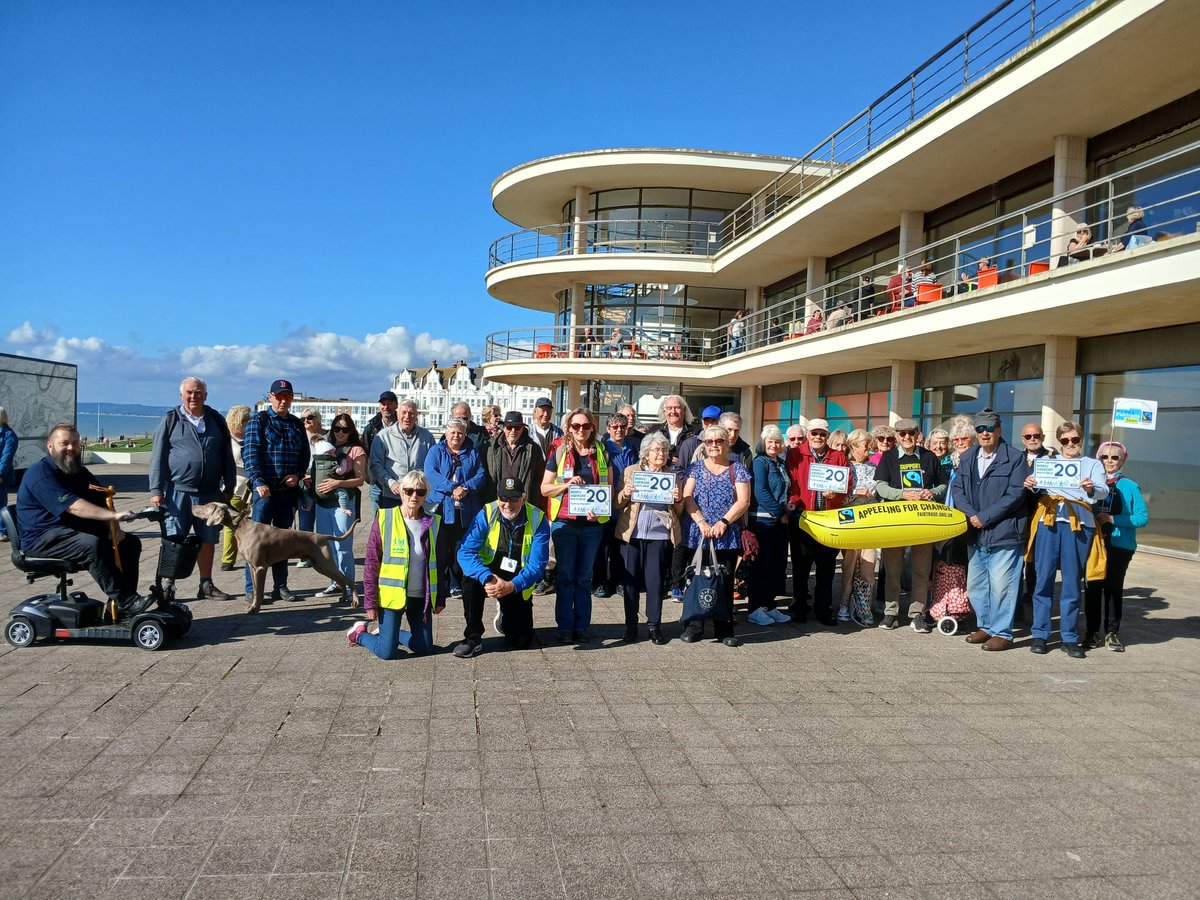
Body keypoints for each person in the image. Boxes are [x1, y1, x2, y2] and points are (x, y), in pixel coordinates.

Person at [16, 423, 151, 615]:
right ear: (50, 446)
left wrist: (114, 526)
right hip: (41, 538)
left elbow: (101, 497)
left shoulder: (76, 470)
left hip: (68, 532)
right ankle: (127, 601)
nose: (71, 448)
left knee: (129, 543)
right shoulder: (40, 474)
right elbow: (74, 506)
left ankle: (119, 607)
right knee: (90, 544)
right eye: (64, 443)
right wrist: (112, 516)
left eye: (75, 443)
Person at [1023, 421, 1108, 659]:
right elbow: (1036, 486)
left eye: (1075, 439)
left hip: (1079, 525)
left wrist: (1091, 489)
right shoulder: (1047, 462)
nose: (1070, 444)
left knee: (1072, 582)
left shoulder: (1092, 464)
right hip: (1049, 521)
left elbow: (1103, 491)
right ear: (1059, 442)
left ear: (1081, 439)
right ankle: (1040, 634)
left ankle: (1069, 637)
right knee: (1043, 579)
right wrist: (1031, 484)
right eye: (1065, 440)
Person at [148, 376, 237, 600]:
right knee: (174, 539)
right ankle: (168, 586)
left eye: (198, 392)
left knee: (208, 539)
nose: (193, 396)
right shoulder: (170, 420)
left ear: (205, 395)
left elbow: (227, 455)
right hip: (178, 492)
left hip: (210, 493)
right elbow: (157, 457)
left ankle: (206, 585)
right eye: (189, 392)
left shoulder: (216, 420)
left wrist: (230, 485)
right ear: (182, 395)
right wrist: (156, 491)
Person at [950, 409, 1029, 651]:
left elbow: (1015, 494)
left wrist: (985, 517)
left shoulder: (1014, 458)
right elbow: (957, 490)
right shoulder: (968, 457)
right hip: (976, 533)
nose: (985, 433)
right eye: (980, 429)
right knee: (976, 585)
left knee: (1002, 585)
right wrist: (972, 516)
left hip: (1005, 532)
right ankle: (985, 626)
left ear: (999, 430)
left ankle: (1002, 632)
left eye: (990, 428)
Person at [347, 471, 441, 659]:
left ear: (426, 494)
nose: (414, 496)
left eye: (420, 492)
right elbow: (371, 563)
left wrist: (440, 598)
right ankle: (359, 634)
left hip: (419, 596)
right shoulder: (384, 517)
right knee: (386, 653)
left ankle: (390, 635)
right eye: (409, 491)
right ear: (401, 492)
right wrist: (370, 602)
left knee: (424, 648)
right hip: (391, 596)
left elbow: (440, 562)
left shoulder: (433, 522)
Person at [540, 407, 612, 643]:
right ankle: (564, 627)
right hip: (564, 524)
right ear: (569, 428)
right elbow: (545, 488)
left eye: (586, 425)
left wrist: (599, 511)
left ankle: (581, 626)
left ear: (592, 427)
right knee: (565, 576)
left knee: (584, 578)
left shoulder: (601, 451)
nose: (581, 430)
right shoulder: (559, 450)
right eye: (576, 426)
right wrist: (566, 485)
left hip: (592, 526)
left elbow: (608, 489)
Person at [455, 479, 550, 655]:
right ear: (498, 498)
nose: (508, 504)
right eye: (503, 498)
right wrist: (487, 577)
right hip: (489, 574)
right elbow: (465, 552)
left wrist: (512, 586)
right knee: (470, 580)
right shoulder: (486, 513)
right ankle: (473, 636)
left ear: (523, 498)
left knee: (521, 641)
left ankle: (505, 614)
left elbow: (537, 564)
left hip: (516, 579)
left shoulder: (538, 519)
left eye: (514, 498)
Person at [873, 417, 948, 632]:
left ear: (917, 434)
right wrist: (902, 494)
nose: (907, 437)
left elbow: (943, 484)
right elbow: (880, 486)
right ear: (897, 436)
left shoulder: (929, 457)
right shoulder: (888, 457)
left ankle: (917, 614)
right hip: (895, 520)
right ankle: (890, 613)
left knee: (921, 570)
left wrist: (932, 492)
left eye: (911, 433)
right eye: (902, 433)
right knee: (892, 570)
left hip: (922, 520)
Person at [241, 379, 310, 603]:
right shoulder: (258, 420)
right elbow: (250, 454)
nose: (283, 401)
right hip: (264, 492)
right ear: (270, 397)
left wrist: (298, 474)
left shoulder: (296, 424)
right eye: (279, 396)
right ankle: (253, 589)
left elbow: (305, 455)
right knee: (256, 543)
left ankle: (281, 586)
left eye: (287, 397)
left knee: (283, 542)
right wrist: (259, 482)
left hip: (286, 493)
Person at [681, 425, 750, 646]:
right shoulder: (695, 468)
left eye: (719, 441)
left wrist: (723, 522)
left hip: (726, 534)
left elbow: (744, 501)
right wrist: (701, 521)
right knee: (696, 578)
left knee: (725, 581)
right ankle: (695, 626)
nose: (713, 445)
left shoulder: (737, 469)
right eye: (709, 441)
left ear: (727, 443)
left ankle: (724, 628)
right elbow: (687, 497)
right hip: (698, 532)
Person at [614, 432, 683, 644]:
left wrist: (677, 499)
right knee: (630, 584)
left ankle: (654, 625)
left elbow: (679, 511)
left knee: (655, 583)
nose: (662, 454)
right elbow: (617, 503)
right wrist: (625, 493)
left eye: (665, 450)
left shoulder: (672, 476)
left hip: (659, 536)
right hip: (631, 535)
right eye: (657, 450)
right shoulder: (631, 471)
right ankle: (630, 627)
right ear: (646, 453)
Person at [1082, 441, 1148, 652]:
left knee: (1113, 588)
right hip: (1094, 543)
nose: (1109, 461)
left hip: (1119, 546)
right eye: (1105, 457)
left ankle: (1112, 633)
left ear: (1122, 460)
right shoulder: (1090, 482)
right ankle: (1091, 632)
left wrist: (1113, 519)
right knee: (1092, 588)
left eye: (1114, 457)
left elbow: (1142, 518)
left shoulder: (1129, 486)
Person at [785, 418, 848, 626]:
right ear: (808, 435)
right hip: (804, 517)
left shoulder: (838, 457)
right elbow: (792, 484)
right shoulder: (795, 454)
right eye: (814, 433)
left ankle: (823, 609)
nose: (818, 437)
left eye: (822, 434)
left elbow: (845, 486)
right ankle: (800, 606)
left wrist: (835, 497)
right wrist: (793, 502)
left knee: (826, 569)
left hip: (829, 519)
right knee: (801, 567)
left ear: (827, 436)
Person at [425, 418, 485, 606]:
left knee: (461, 546)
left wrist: (465, 488)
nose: (456, 436)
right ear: (446, 433)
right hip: (442, 508)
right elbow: (431, 474)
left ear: (465, 434)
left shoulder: (472, 452)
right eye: (452, 432)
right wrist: (452, 488)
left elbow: (481, 475)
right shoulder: (436, 451)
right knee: (442, 547)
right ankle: (442, 583)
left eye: (460, 432)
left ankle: (456, 583)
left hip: (465, 510)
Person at [313, 413, 367, 603]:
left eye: (345, 429)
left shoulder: (356, 450)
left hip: (343, 503)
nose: (340, 433)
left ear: (351, 430)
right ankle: (335, 583)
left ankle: (348, 584)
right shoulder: (326, 446)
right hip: (323, 502)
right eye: (337, 428)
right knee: (327, 546)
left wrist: (338, 483)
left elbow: (360, 479)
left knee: (343, 546)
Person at [746, 425, 792, 628]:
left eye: (777, 442)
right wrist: (780, 513)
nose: (774, 445)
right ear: (763, 443)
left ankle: (769, 605)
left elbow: (785, 489)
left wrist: (788, 506)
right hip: (763, 521)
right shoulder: (759, 463)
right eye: (770, 441)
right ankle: (755, 608)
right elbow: (761, 492)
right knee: (761, 567)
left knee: (776, 566)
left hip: (780, 522)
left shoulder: (780, 463)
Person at [592, 413, 636, 599]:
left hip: (625, 506)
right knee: (602, 548)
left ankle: (618, 581)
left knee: (620, 547)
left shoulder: (633, 449)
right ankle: (600, 582)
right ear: (608, 429)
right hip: (605, 505)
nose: (619, 430)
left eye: (622, 427)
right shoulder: (601, 448)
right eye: (615, 427)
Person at [837, 429, 878, 626]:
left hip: (870, 520)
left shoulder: (874, 467)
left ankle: (864, 607)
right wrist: (856, 492)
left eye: (870, 444)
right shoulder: (845, 466)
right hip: (850, 520)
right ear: (853, 446)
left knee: (869, 566)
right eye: (865, 445)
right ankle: (844, 604)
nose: (869, 448)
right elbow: (838, 496)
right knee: (850, 565)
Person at [370, 399, 435, 510]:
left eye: (411, 413)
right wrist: (390, 482)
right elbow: (376, 465)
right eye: (403, 412)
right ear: (397, 414)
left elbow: (432, 465)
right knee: (391, 521)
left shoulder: (427, 436)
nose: (407, 416)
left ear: (416, 416)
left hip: (418, 497)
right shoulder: (383, 436)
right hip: (392, 494)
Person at [220, 405, 252, 572]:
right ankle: (228, 559)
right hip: (235, 488)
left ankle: (251, 554)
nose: (250, 422)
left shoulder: (251, 438)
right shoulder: (227, 440)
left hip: (252, 490)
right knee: (230, 525)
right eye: (247, 420)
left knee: (252, 524)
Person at [361, 390, 399, 514]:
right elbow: (364, 452)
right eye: (383, 404)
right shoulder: (371, 427)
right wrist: (369, 476)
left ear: (396, 405)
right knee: (377, 518)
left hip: (397, 480)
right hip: (377, 482)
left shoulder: (402, 425)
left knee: (396, 516)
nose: (386, 407)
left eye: (389, 404)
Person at [294, 407, 324, 541]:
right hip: (305, 484)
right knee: (305, 524)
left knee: (325, 524)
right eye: (303, 418)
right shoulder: (299, 438)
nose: (306, 421)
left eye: (310, 417)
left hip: (323, 483)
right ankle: (305, 551)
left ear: (318, 420)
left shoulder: (328, 437)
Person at [0, 406, 18, 542]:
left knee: (1, 503)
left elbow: (6, 457)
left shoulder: (9, 435)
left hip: (2, 475)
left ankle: (3, 532)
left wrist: (0, 473)